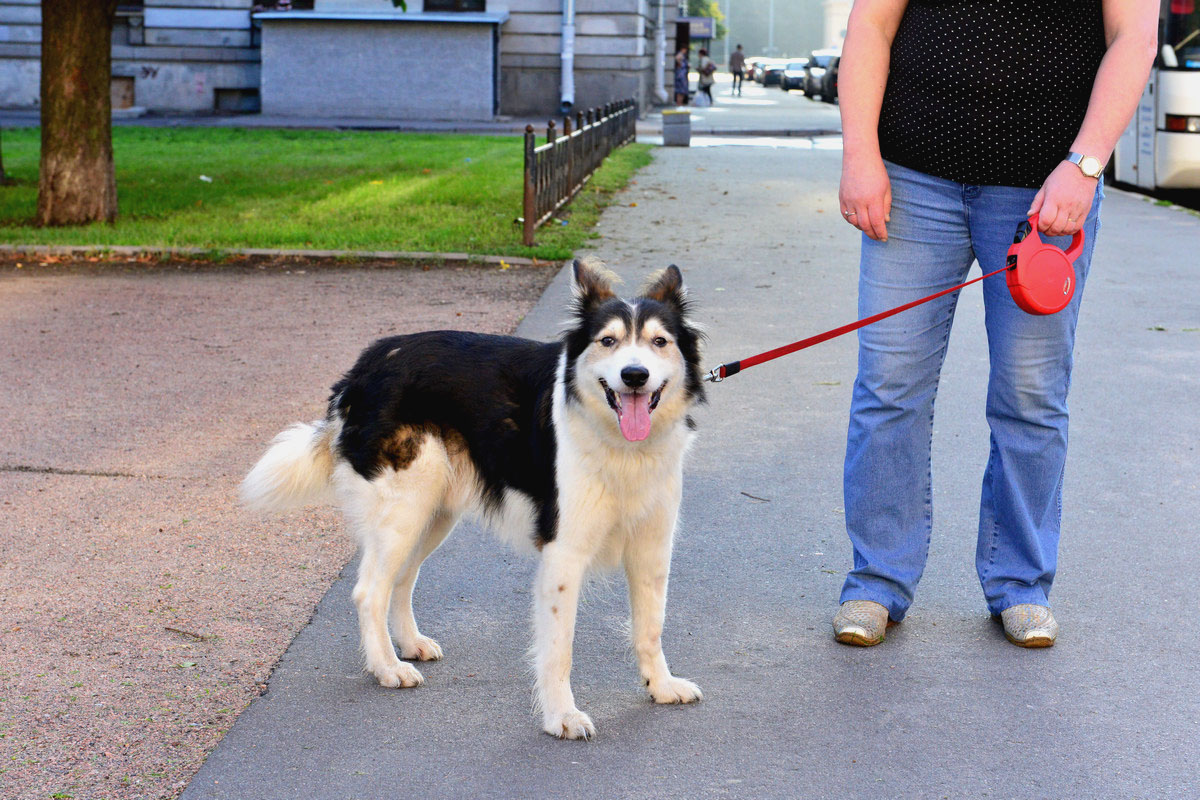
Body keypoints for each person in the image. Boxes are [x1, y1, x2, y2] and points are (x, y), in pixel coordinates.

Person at [832, 0, 1159, 648]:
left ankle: (1020, 584)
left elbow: (1134, 37)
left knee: (1030, 395)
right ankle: (876, 580)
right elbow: (870, 23)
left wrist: (1086, 166)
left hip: (1046, 194)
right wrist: (859, 154)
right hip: (912, 179)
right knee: (889, 385)